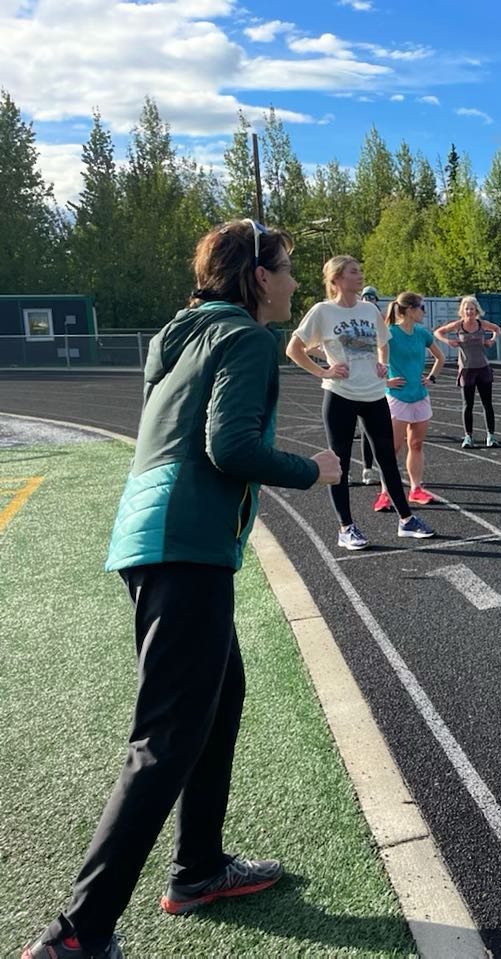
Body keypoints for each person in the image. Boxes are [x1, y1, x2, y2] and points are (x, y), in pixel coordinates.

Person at [22, 220, 342, 959]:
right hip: (187, 543)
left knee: (218, 699)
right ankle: (79, 932)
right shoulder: (248, 339)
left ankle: (198, 867)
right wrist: (312, 470)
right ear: (257, 277)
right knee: (164, 738)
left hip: (150, 534)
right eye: (286, 268)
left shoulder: (178, 332)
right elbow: (228, 446)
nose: (293, 281)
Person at [286, 256, 435, 548]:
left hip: (374, 394)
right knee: (339, 463)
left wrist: (382, 364)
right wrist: (323, 370)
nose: (360, 275)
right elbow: (294, 348)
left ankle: (406, 520)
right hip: (340, 395)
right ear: (337, 278)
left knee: (387, 459)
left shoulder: (369, 310)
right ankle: (346, 528)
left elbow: (383, 343)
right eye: (354, 272)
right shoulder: (322, 311)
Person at [374, 291, 444, 510]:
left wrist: (431, 378)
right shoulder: (390, 333)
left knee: (416, 444)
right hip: (398, 398)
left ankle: (415, 488)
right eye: (421, 308)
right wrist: (386, 382)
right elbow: (379, 362)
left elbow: (440, 357)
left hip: (420, 396)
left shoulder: (422, 333)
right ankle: (385, 493)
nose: (424, 312)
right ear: (410, 310)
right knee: (392, 448)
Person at [434, 296, 501, 448]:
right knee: (467, 405)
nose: (469, 311)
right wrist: (448, 341)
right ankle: (468, 437)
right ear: (462, 311)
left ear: (476, 310)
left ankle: (491, 435)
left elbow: (497, 329)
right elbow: (438, 332)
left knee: (487, 404)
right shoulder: (459, 325)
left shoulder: (481, 324)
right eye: (467, 309)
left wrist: (492, 340)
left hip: (483, 368)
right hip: (466, 369)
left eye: (472, 309)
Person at [357, 285, 381, 485]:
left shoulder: (378, 318)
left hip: (373, 383)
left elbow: (385, 345)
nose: (368, 301)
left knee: (373, 430)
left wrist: (385, 365)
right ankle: (362, 469)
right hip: (348, 385)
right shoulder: (350, 317)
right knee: (348, 433)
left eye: (371, 298)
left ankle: (371, 469)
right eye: (366, 297)